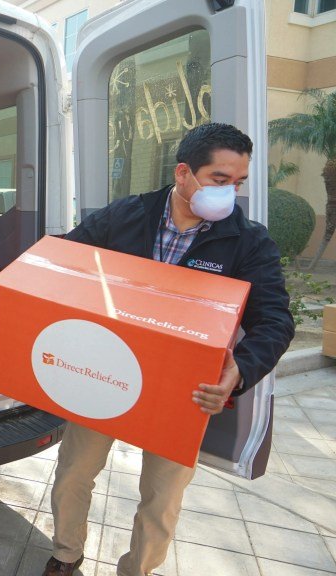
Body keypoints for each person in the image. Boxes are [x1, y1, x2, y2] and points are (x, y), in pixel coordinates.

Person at [43, 123, 295, 576]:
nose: (230, 193)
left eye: (238, 183)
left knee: (162, 497)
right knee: (74, 472)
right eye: (220, 180)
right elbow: (66, 265)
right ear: (184, 173)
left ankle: (137, 570)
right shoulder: (125, 216)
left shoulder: (247, 240)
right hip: (104, 372)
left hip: (183, 388)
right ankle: (65, 555)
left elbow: (275, 319)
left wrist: (239, 371)